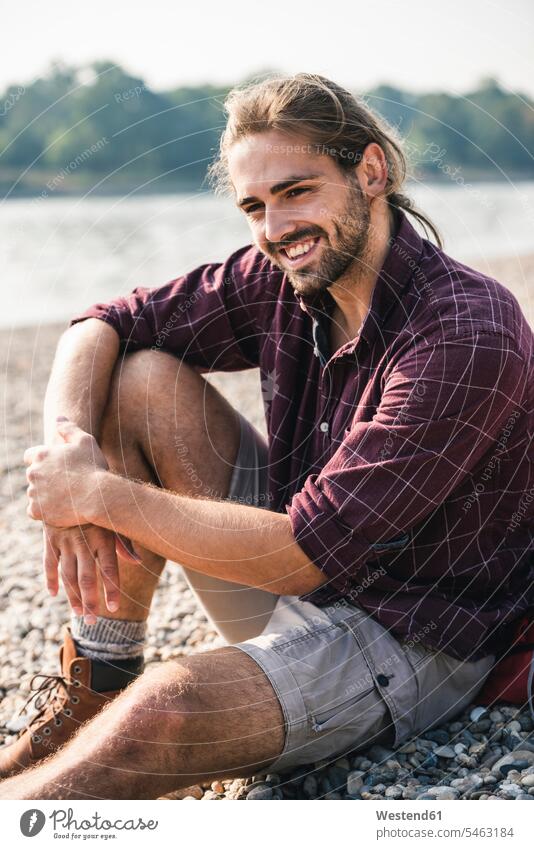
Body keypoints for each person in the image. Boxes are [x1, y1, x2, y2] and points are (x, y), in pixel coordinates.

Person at [0, 73, 532, 800]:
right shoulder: (284, 273)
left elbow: (302, 557)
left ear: (369, 172)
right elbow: (105, 320)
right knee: (140, 377)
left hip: (418, 633)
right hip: (297, 563)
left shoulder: (466, 332)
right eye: (254, 205)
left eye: (297, 190)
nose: (276, 226)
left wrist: (99, 495)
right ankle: (100, 675)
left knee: (168, 709)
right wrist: (70, 453)